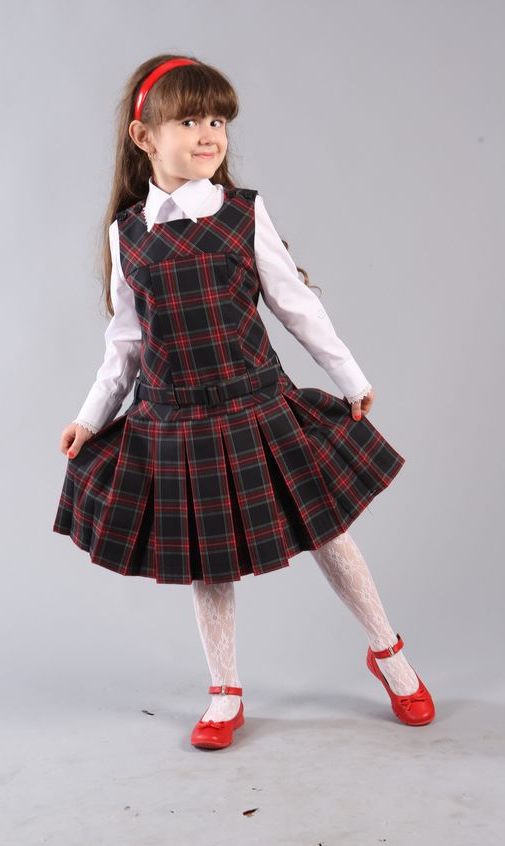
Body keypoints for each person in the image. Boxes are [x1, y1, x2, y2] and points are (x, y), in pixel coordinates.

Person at [52, 54, 435, 750]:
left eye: (218, 121)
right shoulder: (128, 232)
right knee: (209, 559)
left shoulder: (243, 213)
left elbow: (297, 306)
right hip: (177, 421)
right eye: (189, 121)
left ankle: (389, 653)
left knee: (327, 532)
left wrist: (349, 376)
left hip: (257, 405)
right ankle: (224, 690)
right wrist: (89, 417)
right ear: (144, 137)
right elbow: (125, 344)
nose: (209, 135)